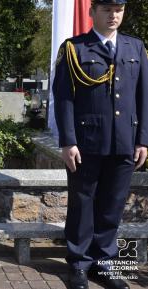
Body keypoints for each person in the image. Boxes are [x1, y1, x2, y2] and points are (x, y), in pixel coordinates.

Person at [53, 0, 148, 289]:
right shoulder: (74, 48)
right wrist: (68, 141)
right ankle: (79, 265)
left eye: (118, 10)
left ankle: (103, 264)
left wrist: (143, 139)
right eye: (107, 10)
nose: (113, 16)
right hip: (86, 141)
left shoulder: (135, 48)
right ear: (92, 12)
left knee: (112, 206)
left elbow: (144, 97)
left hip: (124, 142)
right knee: (82, 204)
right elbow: (64, 98)